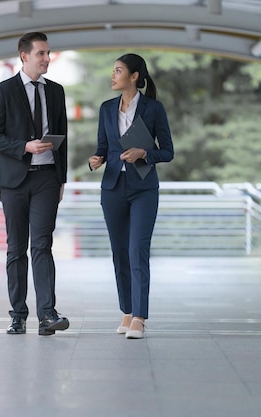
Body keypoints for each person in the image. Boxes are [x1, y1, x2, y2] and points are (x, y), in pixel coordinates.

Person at [0, 32, 69, 336]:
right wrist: (24, 146)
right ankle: (18, 314)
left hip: (47, 177)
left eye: (48, 53)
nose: (47, 59)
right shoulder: (3, 91)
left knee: (43, 244)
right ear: (24, 56)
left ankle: (47, 314)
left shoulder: (56, 92)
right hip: (14, 179)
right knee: (16, 248)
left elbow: (63, 139)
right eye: (41, 54)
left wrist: (61, 179)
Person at [88, 53, 174, 339]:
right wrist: (96, 159)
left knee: (138, 250)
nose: (113, 76)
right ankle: (126, 310)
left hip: (143, 188)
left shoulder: (153, 109)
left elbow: (168, 152)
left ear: (134, 76)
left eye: (118, 71)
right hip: (112, 188)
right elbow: (102, 146)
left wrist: (144, 153)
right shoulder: (106, 108)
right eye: (113, 71)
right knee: (120, 252)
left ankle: (139, 316)